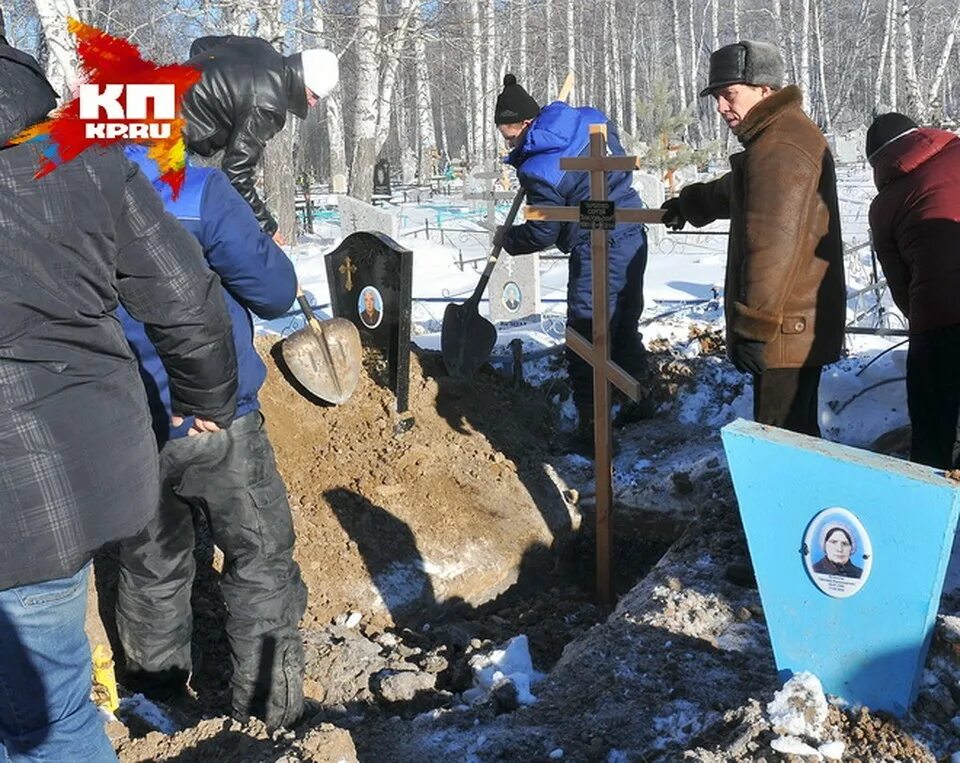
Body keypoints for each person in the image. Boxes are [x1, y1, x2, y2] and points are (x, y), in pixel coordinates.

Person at [0, 39, 237, 761]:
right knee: (56, 717)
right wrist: (207, 398)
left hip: (26, 498)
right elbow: (187, 296)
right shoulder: (80, 158)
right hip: (76, 473)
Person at [115, 146, 307, 730]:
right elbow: (274, 293)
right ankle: (267, 715)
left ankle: (155, 704)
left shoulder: (69, 196)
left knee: (151, 563)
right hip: (218, 414)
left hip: (125, 418)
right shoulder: (199, 192)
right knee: (259, 558)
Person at [661, 41, 845, 438]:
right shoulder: (778, 136)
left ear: (764, 90)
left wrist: (753, 326)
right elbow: (741, 189)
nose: (721, 108)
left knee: (783, 447)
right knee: (792, 440)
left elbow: (770, 245)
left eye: (729, 95)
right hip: (791, 326)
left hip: (782, 330)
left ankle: (794, 502)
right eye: (716, 97)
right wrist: (691, 203)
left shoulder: (780, 147)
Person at [492, 74, 649, 456]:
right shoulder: (587, 118)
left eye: (507, 132)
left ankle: (592, 431)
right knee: (620, 324)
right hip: (632, 228)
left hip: (598, 246)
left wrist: (508, 239)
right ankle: (640, 399)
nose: (505, 139)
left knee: (584, 335)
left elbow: (544, 233)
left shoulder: (539, 168)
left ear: (526, 124)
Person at [866, 113, 960, 469]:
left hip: (937, 319)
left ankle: (930, 508)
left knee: (932, 430)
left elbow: (900, 285)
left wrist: (922, 318)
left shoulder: (885, 205)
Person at [181, 36, 339, 241]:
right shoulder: (269, 105)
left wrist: (199, 88)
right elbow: (236, 173)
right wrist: (267, 226)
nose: (312, 103)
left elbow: (200, 45)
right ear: (303, 79)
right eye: (314, 95)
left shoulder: (259, 46)